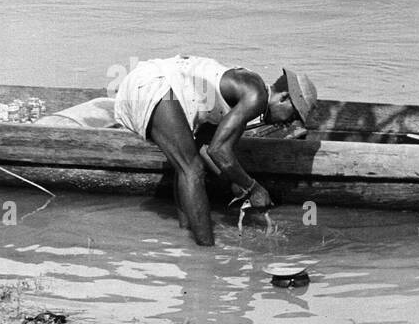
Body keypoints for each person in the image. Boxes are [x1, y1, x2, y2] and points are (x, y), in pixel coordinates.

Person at [113, 55, 318, 246]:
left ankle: (186, 237)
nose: (286, 125)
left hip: (145, 83)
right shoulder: (256, 97)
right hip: (152, 84)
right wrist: (253, 187)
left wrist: (236, 183)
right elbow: (220, 151)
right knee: (191, 170)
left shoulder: (244, 91)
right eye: (291, 117)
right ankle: (206, 257)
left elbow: (206, 147)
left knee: (187, 164)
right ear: (283, 98)